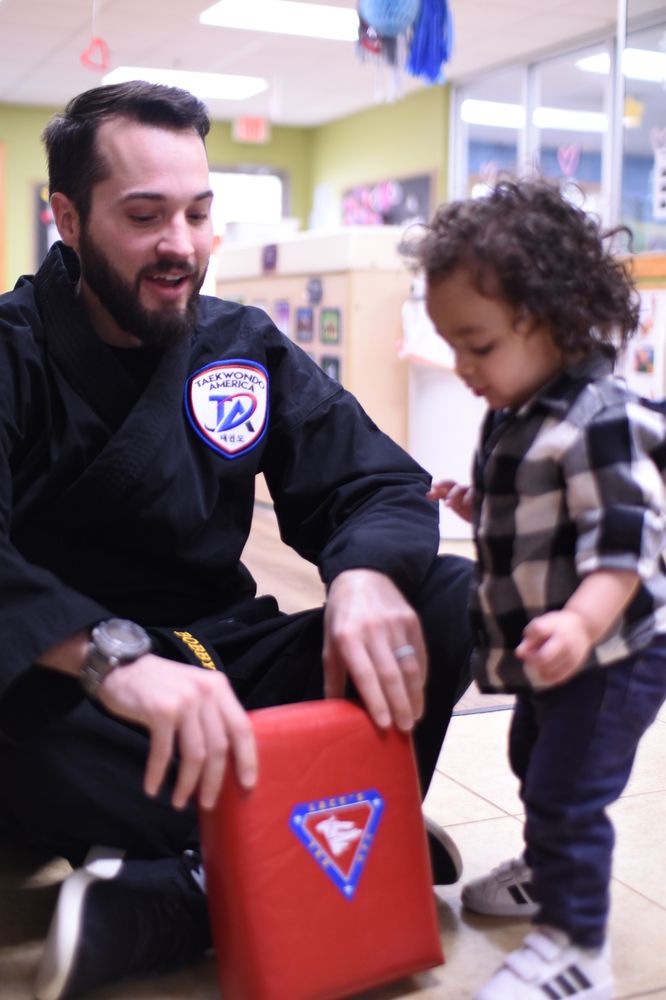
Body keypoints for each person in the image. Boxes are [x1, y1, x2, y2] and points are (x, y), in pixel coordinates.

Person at [0, 82, 473, 1000]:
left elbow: (371, 480)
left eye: (198, 212)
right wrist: (112, 660)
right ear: (67, 217)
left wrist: (367, 576)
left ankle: (194, 884)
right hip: (73, 679)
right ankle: (330, 831)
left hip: (221, 654)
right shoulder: (12, 353)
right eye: (145, 216)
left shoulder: (239, 345)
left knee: (442, 599)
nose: (181, 245)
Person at [405, 179, 666, 1000]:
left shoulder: (601, 417)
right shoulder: (519, 412)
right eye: (452, 344)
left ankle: (575, 948)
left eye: (477, 346)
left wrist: (582, 626)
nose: (462, 367)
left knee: (566, 791)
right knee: (531, 761)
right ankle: (544, 870)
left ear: (550, 318)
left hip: (614, 652)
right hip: (559, 652)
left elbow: (625, 546)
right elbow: (552, 509)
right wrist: (481, 504)